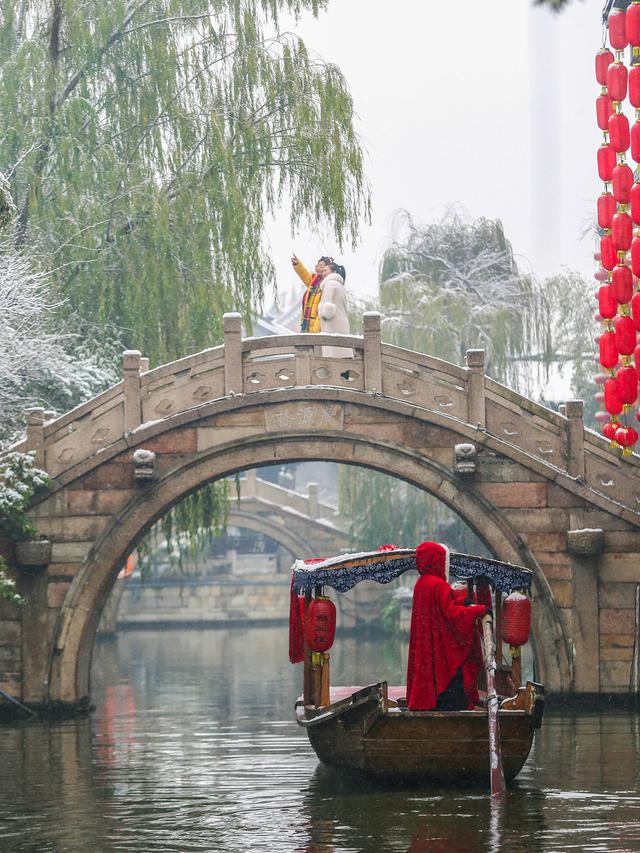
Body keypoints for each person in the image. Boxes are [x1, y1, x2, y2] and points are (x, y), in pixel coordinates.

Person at [405, 541, 488, 712]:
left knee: (429, 679)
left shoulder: (421, 584)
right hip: (441, 651)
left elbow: (438, 609)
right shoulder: (438, 585)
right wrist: (478, 610)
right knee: (451, 684)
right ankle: (451, 712)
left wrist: (462, 603)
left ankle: (428, 703)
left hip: (428, 647)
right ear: (437, 561)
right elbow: (452, 616)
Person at [318, 262, 353, 358]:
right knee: (343, 353)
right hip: (342, 321)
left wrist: (323, 314)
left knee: (333, 355)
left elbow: (327, 304)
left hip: (333, 323)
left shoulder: (329, 284)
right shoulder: (340, 285)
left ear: (333, 272)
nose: (323, 273)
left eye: (326, 270)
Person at [291, 254, 333, 333]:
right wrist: (297, 264)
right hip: (307, 321)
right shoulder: (314, 281)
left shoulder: (328, 284)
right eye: (317, 265)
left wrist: (316, 329)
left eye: (321, 266)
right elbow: (304, 274)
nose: (318, 267)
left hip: (318, 325)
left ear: (328, 268)